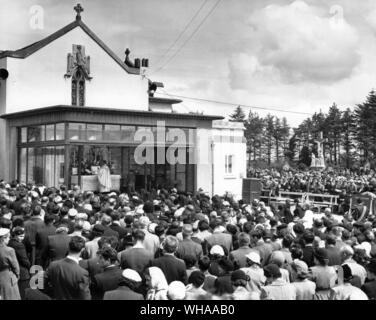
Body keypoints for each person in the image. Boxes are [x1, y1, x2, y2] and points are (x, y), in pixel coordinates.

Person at [8, 226, 30, 299]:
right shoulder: (19, 245)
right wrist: (29, 266)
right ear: (15, 235)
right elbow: (25, 260)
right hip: (23, 273)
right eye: (20, 236)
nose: (22, 238)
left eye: (23, 236)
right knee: (23, 294)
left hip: (13, 273)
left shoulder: (10, 242)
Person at [0, 228, 21, 300]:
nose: (9, 239)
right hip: (8, 278)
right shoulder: (9, 250)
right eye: (8, 237)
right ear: (3, 238)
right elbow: (16, 267)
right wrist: (17, 275)